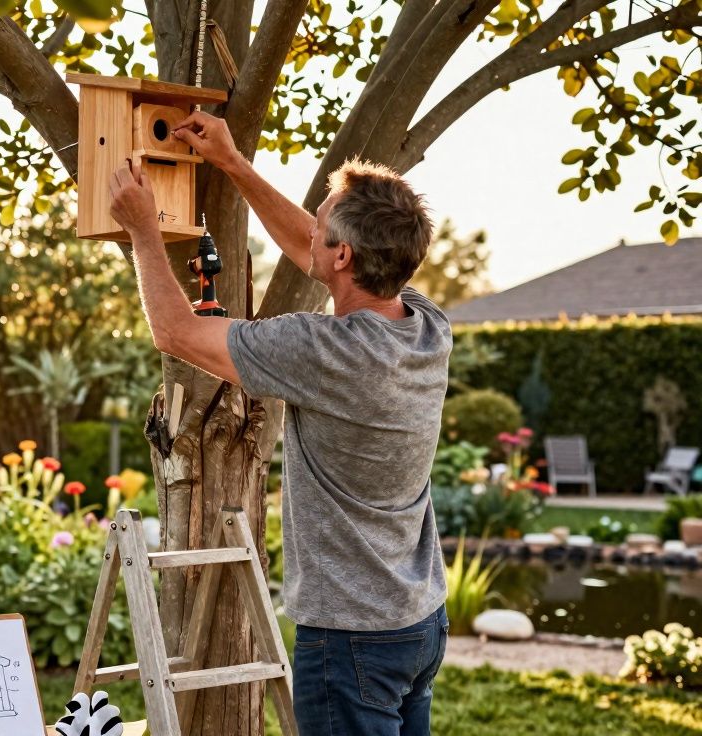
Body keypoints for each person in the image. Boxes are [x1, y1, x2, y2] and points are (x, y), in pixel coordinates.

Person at [106, 110, 451, 736]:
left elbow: (176, 332)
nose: (310, 229)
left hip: (352, 642)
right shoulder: (426, 326)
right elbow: (311, 251)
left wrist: (141, 231)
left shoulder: (322, 352)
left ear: (343, 253)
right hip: (417, 622)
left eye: (322, 224)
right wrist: (233, 165)